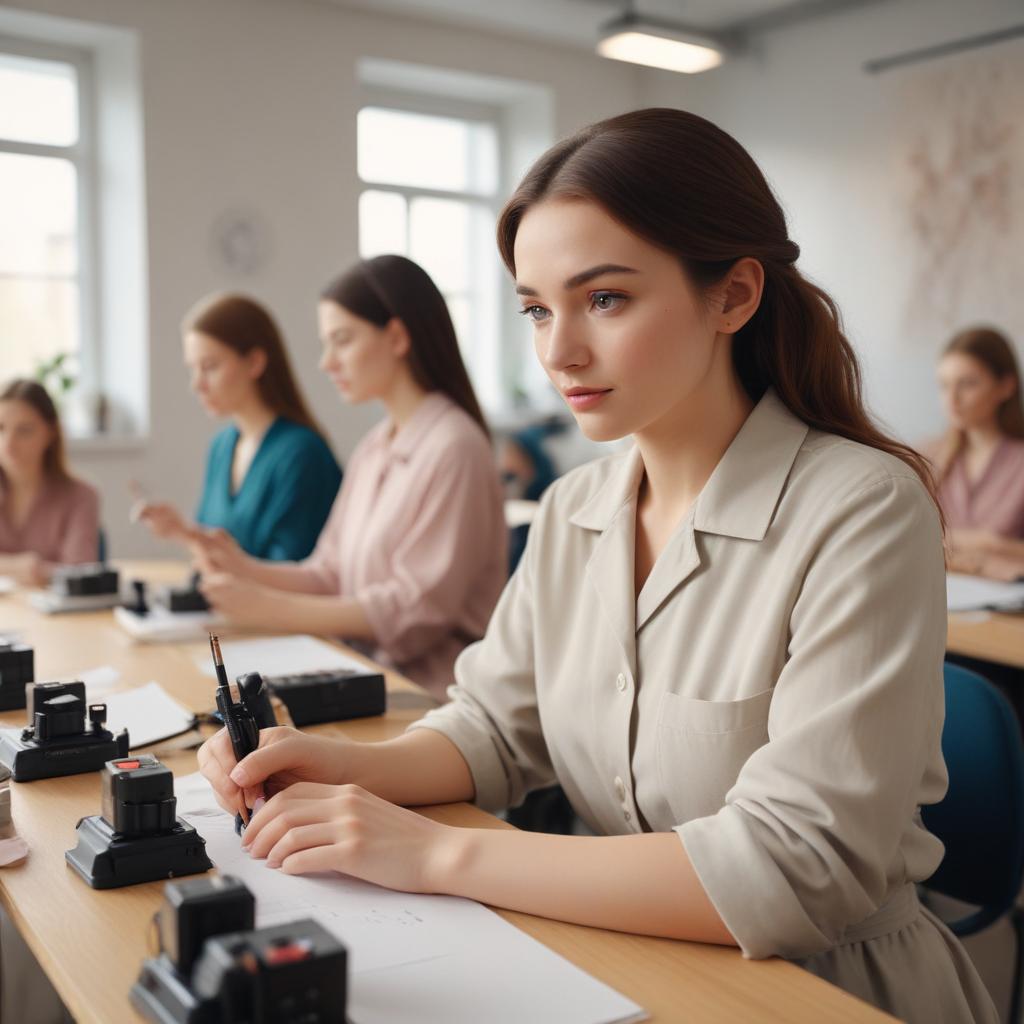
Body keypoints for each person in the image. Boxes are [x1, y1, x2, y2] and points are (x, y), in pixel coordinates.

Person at [197, 110, 996, 1023]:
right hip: (621, 964)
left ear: (734, 296)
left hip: (819, 991)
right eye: (537, 309)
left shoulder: (863, 507)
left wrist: (431, 853)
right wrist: (338, 766)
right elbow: (495, 730)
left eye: (605, 299)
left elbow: (794, 865)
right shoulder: (574, 508)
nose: (557, 351)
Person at [192, 256, 507, 701]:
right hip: (360, 675)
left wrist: (271, 609)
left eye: (341, 340)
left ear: (396, 337)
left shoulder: (455, 446)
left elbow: (416, 611)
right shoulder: (374, 446)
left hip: (432, 695)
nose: (326, 363)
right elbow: (329, 572)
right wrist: (243, 568)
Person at [137, 294, 341, 561]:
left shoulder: (302, 454)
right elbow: (216, 557)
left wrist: (193, 539)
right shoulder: (222, 447)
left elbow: (293, 569)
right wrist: (181, 533)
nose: (197, 385)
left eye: (210, 367)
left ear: (254, 362)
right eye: (193, 369)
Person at [927, 326, 1024, 581]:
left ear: (1006, 386)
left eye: (967, 384)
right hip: (941, 592)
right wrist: (981, 543)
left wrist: (994, 545)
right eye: (944, 385)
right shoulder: (926, 457)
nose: (952, 399)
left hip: (1008, 597)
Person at [0, 379, 99, 585]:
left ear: (50, 433)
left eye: (24, 430)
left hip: (56, 606)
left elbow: (80, 573)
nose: (8, 444)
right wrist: (21, 567)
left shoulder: (81, 497)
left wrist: (36, 571)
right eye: (0, 428)